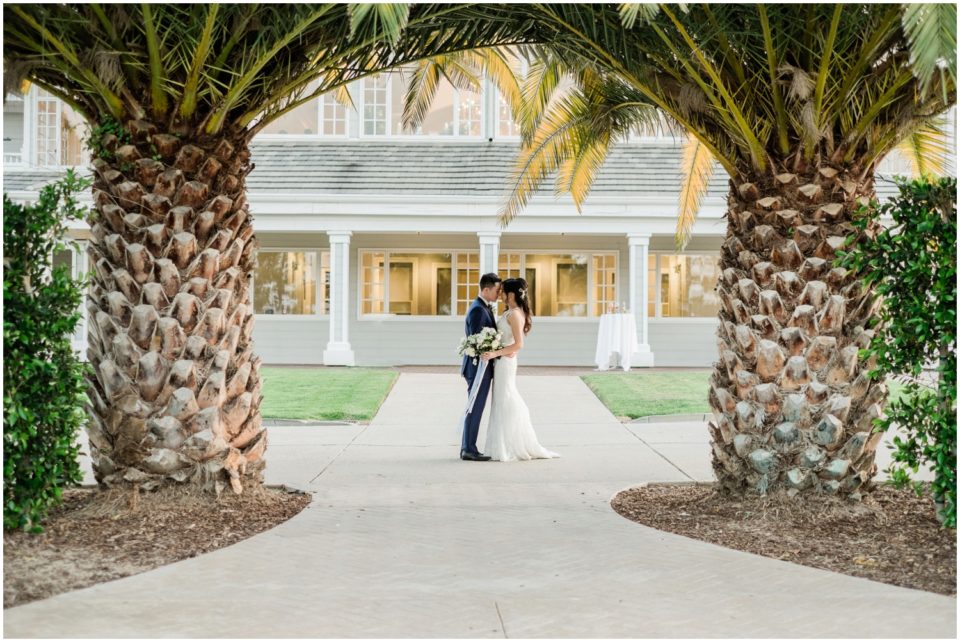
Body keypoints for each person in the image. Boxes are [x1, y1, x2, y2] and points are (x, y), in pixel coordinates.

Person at [480, 277, 560, 462]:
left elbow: (518, 344)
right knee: (501, 400)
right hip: (502, 360)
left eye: (503, 292)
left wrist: (494, 353)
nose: (500, 295)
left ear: (511, 294)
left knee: (506, 398)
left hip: (505, 362)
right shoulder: (511, 312)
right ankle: (499, 444)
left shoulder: (515, 314)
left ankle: (510, 444)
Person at [459, 273, 501, 461]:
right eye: (497, 290)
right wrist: (493, 348)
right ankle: (469, 449)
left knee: (475, 407)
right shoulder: (477, 309)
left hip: (482, 367)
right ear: (486, 289)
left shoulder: (483, 307)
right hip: (478, 368)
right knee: (475, 408)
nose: (499, 294)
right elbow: (476, 341)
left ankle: (467, 447)